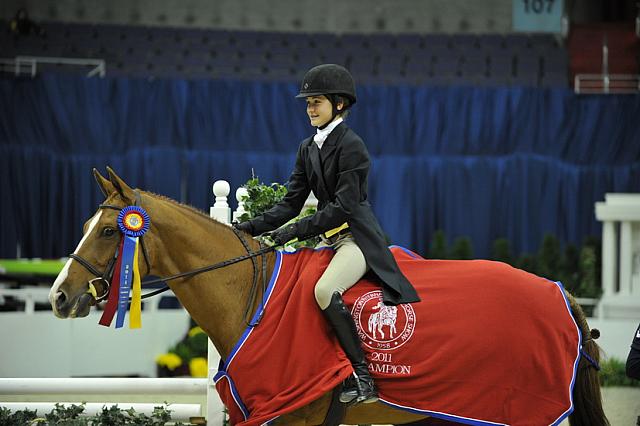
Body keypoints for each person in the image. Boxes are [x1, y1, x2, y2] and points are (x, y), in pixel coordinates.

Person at [234, 63, 420, 405]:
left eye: (316, 102)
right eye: (307, 103)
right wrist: (248, 228)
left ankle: (363, 379)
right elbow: (291, 202)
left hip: (355, 239)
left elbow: (342, 207)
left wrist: (287, 234)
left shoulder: (353, 146)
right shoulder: (308, 147)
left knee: (323, 290)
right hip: (328, 238)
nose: (309, 109)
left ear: (338, 104)